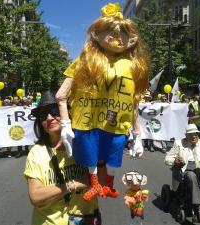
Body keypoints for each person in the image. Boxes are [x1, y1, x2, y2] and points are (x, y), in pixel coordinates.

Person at [56, 2, 150, 201]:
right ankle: (95, 185)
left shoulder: (133, 66)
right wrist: (65, 123)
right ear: (96, 35)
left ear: (131, 39)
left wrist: (137, 134)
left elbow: (133, 102)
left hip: (116, 124)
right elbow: (61, 95)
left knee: (113, 156)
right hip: (88, 122)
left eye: (122, 32)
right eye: (108, 30)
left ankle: (108, 185)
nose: (116, 36)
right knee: (90, 155)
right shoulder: (84, 61)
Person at [24, 91, 101, 225]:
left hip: (85, 219)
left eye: (55, 110)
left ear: (68, 113)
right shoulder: (36, 152)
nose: (49, 118)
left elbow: (102, 181)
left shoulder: (87, 145)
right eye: (43, 115)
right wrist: (74, 184)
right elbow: (35, 196)